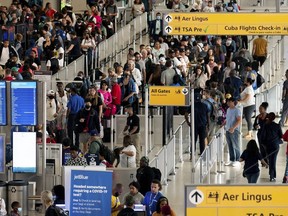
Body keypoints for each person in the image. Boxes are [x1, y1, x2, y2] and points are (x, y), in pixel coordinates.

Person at [260, 112, 283, 182]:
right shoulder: (277, 126)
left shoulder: (265, 126)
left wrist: (263, 144)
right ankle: (272, 176)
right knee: (273, 160)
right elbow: (281, 136)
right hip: (275, 145)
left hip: (268, 146)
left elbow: (262, 136)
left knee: (270, 159)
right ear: (274, 118)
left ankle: (271, 175)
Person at [222, 97, 241, 167]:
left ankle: (238, 160)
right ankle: (232, 159)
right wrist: (223, 124)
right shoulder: (228, 110)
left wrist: (233, 128)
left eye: (229, 102)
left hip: (234, 130)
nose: (228, 103)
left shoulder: (237, 110)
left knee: (235, 145)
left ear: (233, 102)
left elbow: (239, 120)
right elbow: (227, 119)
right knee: (230, 145)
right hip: (227, 129)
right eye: (227, 102)